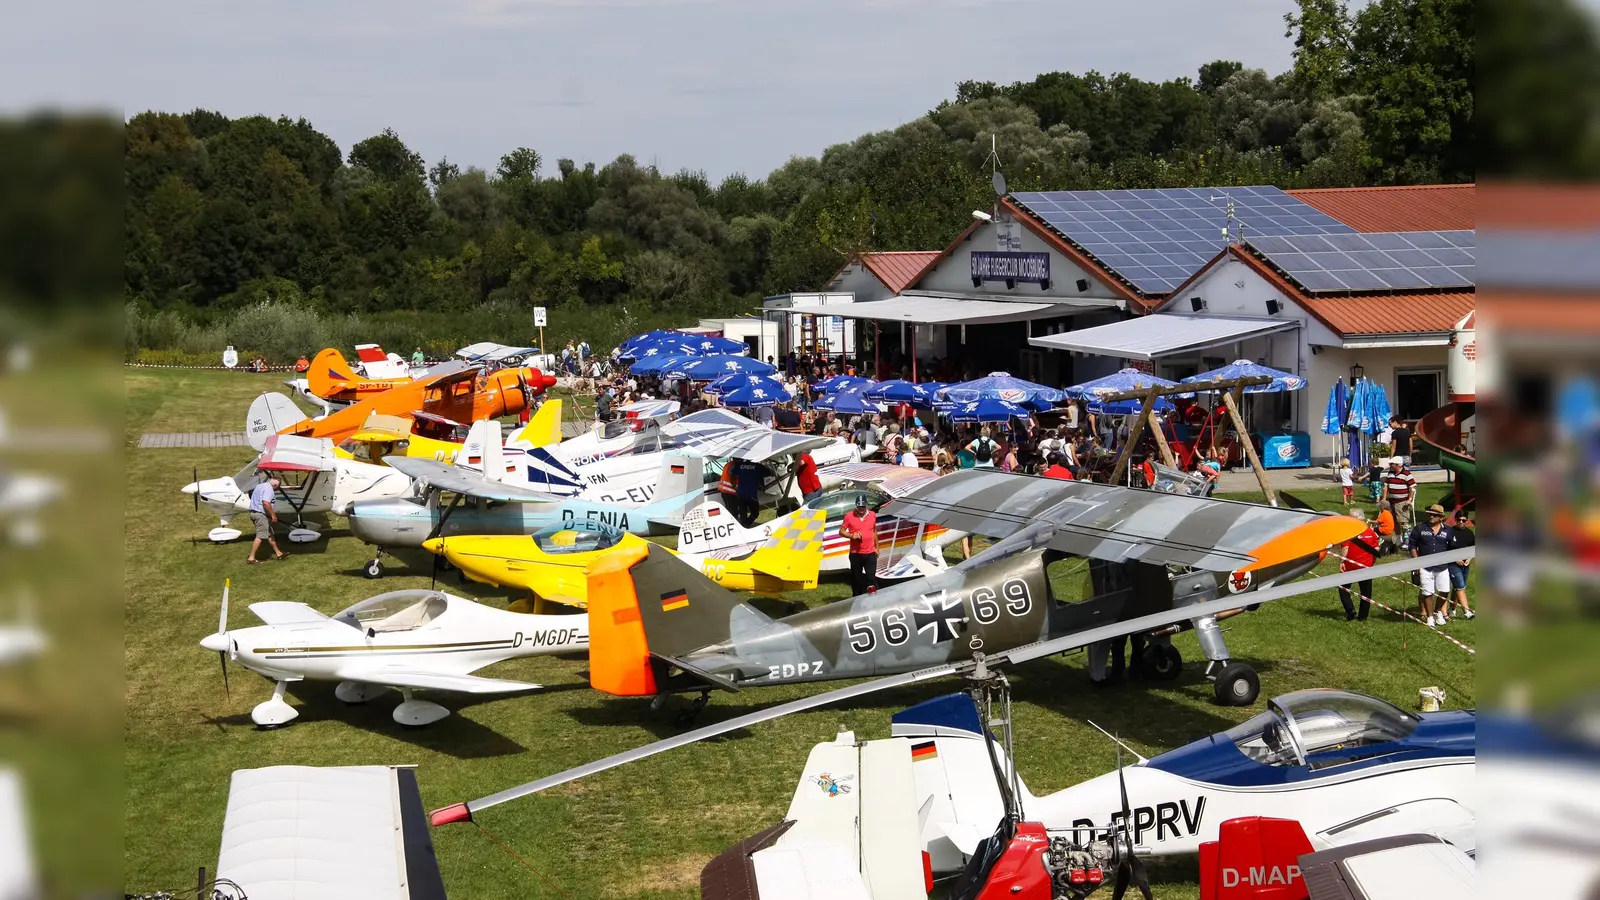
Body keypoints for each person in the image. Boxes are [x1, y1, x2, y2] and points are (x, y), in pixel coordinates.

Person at [1408, 503, 1456, 627]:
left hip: (1442, 566)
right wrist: (1416, 562)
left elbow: (1452, 547)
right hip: (1425, 566)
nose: (1431, 516)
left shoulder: (1448, 530)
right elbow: (1412, 545)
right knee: (1427, 592)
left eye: (1435, 515)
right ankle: (1429, 617)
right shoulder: (1420, 528)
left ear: (1441, 517)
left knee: (1445, 591)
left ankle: (1438, 611)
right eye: (1430, 514)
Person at [1338, 509, 1380, 621]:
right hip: (1366, 566)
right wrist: (1373, 561)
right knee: (1366, 593)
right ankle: (1363, 617)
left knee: (1343, 588)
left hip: (1351, 565)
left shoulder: (1350, 532)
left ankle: (1350, 610)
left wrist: (1341, 562)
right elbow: (1376, 549)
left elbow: (1345, 548)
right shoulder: (1371, 532)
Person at [840, 495, 878, 595]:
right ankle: (856, 599)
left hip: (870, 553)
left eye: (863, 506)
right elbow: (841, 531)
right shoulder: (849, 516)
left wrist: (877, 548)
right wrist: (852, 536)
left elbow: (874, 531)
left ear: (867, 506)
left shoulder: (873, 515)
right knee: (856, 580)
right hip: (855, 554)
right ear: (856, 506)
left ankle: (873, 599)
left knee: (871, 578)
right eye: (859, 506)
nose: (861, 509)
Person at [246, 477, 287, 564]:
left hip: (254, 513)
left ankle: (279, 554)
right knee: (260, 536)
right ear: (275, 485)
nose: (277, 488)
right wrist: (273, 515)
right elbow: (266, 502)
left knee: (269, 534)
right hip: (261, 515)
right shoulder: (269, 489)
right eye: (278, 486)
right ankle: (251, 558)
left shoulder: (260, 486)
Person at [1445, 514, 1476, 620]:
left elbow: (1474, 548)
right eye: (1459, 520)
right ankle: (1467, 611)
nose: (1461, 522)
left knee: (1458, 588)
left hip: (1466, 565)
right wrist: (1455, 559)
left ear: (1467, 521)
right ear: (1455, 520)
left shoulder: (1469, 533)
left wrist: (1470, 558)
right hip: (1453, 564)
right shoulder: (1449, 532)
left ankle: (1452, 609)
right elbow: (1445, 549)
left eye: (1464, 520)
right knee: (1460, 586)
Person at [1382, 459, 1417, 535]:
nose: (1390, 466)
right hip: (1391, 501)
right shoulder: (1390, 473)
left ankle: (1407, 539)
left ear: (1398, 465)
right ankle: (1398, 538)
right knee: (1394, 520)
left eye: (1392, 464)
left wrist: (1409, 499)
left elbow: (1413, 487)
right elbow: (1386, 486)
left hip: (1402, 501)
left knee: (1403, 521)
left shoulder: (1406, 474)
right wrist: (1384, 498)